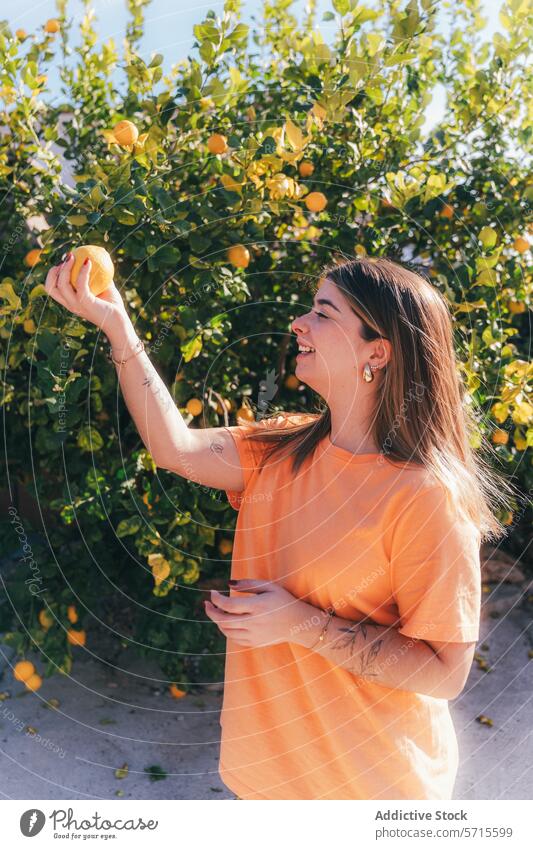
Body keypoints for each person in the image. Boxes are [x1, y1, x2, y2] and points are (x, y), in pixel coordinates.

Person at [44, 253, 515, 800]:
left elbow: (444, 672)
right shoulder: (282, 448)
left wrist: (298, 624)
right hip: (267, 780)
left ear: (376, 352)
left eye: (323, 311)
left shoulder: (425, 496)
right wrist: (117, 327)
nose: (299, 323)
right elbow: (176, 448)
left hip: (371, 789)